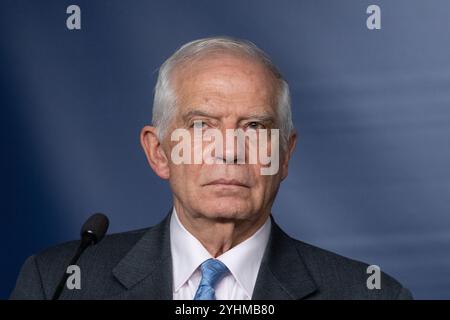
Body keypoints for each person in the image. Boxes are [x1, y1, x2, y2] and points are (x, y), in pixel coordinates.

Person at [10, 36, 412, 300]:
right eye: (202, 126)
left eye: (254, 127)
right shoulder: (58, 283)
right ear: (159, 152)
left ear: (285, 155)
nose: (229, 151)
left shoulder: (371, 294)